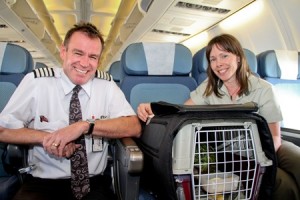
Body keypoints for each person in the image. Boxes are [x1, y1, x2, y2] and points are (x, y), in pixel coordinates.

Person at [137, 34, 300, 200]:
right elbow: (182, 111)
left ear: (238, 57)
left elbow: (274, 136)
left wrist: (266, 159)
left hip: (268, 146)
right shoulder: (208, 88)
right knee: (281, 182)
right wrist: (154, 108)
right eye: (213, 59)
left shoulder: (264, 89)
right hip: (235, 153)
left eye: (224, 56)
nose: (218, 63)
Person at [0, 22, 141, 200]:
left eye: (92, 57)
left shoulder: (106, 86)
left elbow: (134, 126)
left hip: (93, 184)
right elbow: (3, 129)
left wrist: (84, 126)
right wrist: (48, 138)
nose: (84, 63)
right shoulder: (37, 82)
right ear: (63, 52)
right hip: (43, 183)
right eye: (78, 53)